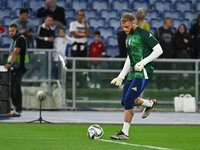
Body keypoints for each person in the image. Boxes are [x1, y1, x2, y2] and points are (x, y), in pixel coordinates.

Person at [110, 13, 163, 140]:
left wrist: (143, 62)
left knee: (128, 101)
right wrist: (121, 76)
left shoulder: (144, 34)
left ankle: (124, 133)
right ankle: (149, 103)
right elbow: (130, 58)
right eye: (123, 27)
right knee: (124, 101)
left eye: (127, 27)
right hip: (133, 72)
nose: (124, 29)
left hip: (144, 72)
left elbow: (159, 50)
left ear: (134, 24)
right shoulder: (128, 37)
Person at [4, 24, 29, 114]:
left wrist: (10, 63)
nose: (11, 33)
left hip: (20, 67)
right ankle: (18, 108)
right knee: (17, 87)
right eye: (10, 31)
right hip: (17, 67)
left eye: (13, 31)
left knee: (12, 86)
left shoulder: (20, 39)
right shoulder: (15, 39)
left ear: (17, 30)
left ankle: (15, 105)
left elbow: (15, 52)